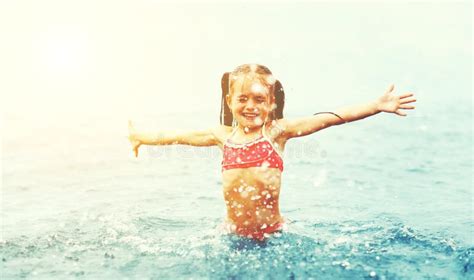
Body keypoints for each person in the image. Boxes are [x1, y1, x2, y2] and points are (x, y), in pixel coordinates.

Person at [128, 63, 416, 241]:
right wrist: (141, 137)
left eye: (259, 99)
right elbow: (178, 136)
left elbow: (330, 117)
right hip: (231, 234)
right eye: (243, 98)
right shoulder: (222, 136)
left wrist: (376, 106)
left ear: (270, 104)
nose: (250, 106)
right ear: (230, 101)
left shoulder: (277, 133)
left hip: (275, 233)